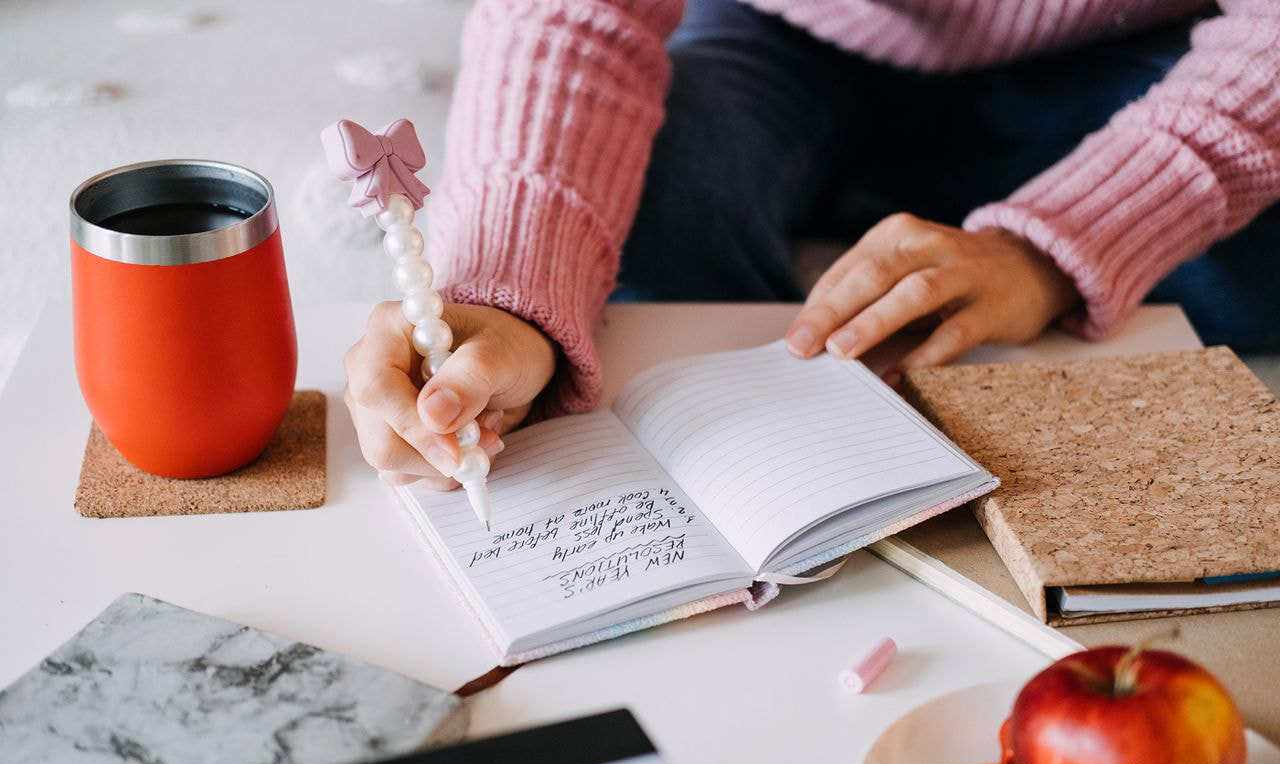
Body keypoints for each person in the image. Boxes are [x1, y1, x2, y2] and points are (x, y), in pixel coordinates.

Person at [343, 0, 1280, 490]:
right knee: (646, 208)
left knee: (1249, 254)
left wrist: (1057, 245)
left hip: (1135, 52)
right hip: (784, 37)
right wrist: (507, 296)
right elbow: (575, 19)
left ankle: (894, 199)